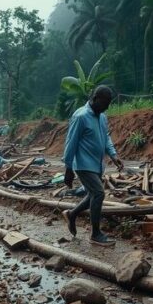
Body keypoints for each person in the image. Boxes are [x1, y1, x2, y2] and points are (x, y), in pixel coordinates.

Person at [61, 85, 124, 247]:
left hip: (97, 165)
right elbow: (71, 142)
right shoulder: (80, 116)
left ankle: (72, 214)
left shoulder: (102, 117)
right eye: (105, 102)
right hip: (83, 164)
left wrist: (113, 155)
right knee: (99, 193)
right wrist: (68, 168)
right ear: (95, 98)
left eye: (109, 102)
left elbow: (106, 137)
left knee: (92, 195)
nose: (107, 106)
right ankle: (95, 234)